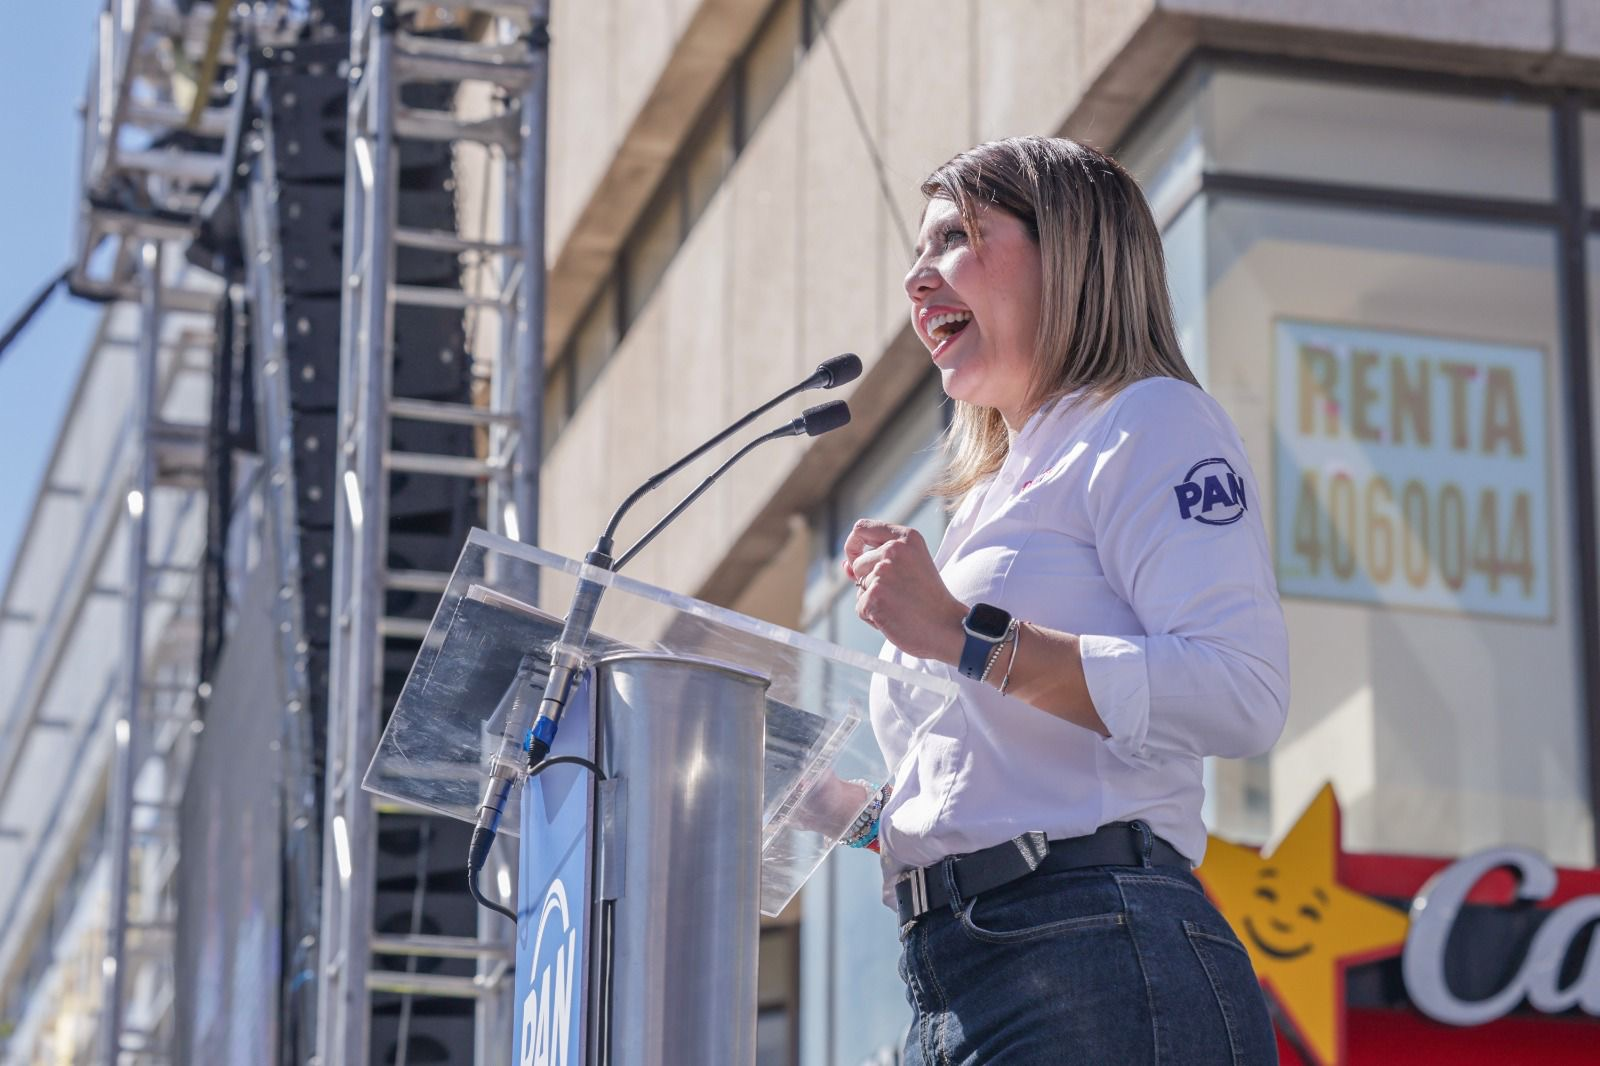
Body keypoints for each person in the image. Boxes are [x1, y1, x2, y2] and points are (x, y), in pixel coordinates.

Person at [839, 136, 1289, 1064]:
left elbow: (1242, 692)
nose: (917, 280)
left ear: (1072, 252)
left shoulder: (1150, 419)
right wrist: (795, 790)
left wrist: (962, 634)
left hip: (1099, 955)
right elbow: (987, 795)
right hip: (952, 974)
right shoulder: (989, 502)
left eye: (955, 238)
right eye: (917, 253)